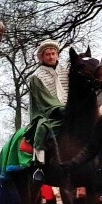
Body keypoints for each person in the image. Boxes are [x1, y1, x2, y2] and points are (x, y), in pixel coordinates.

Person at [28, 39, 67, 182]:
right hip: (48, 113)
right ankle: (39, 165)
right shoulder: (36, 77)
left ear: (57, 55)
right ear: (41, 57)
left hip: (70, 111)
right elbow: (43, 99)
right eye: (47, 54)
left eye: (53, 53)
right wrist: (59, 110)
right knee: (43, 128)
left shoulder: (66, 71)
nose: (51, 57)